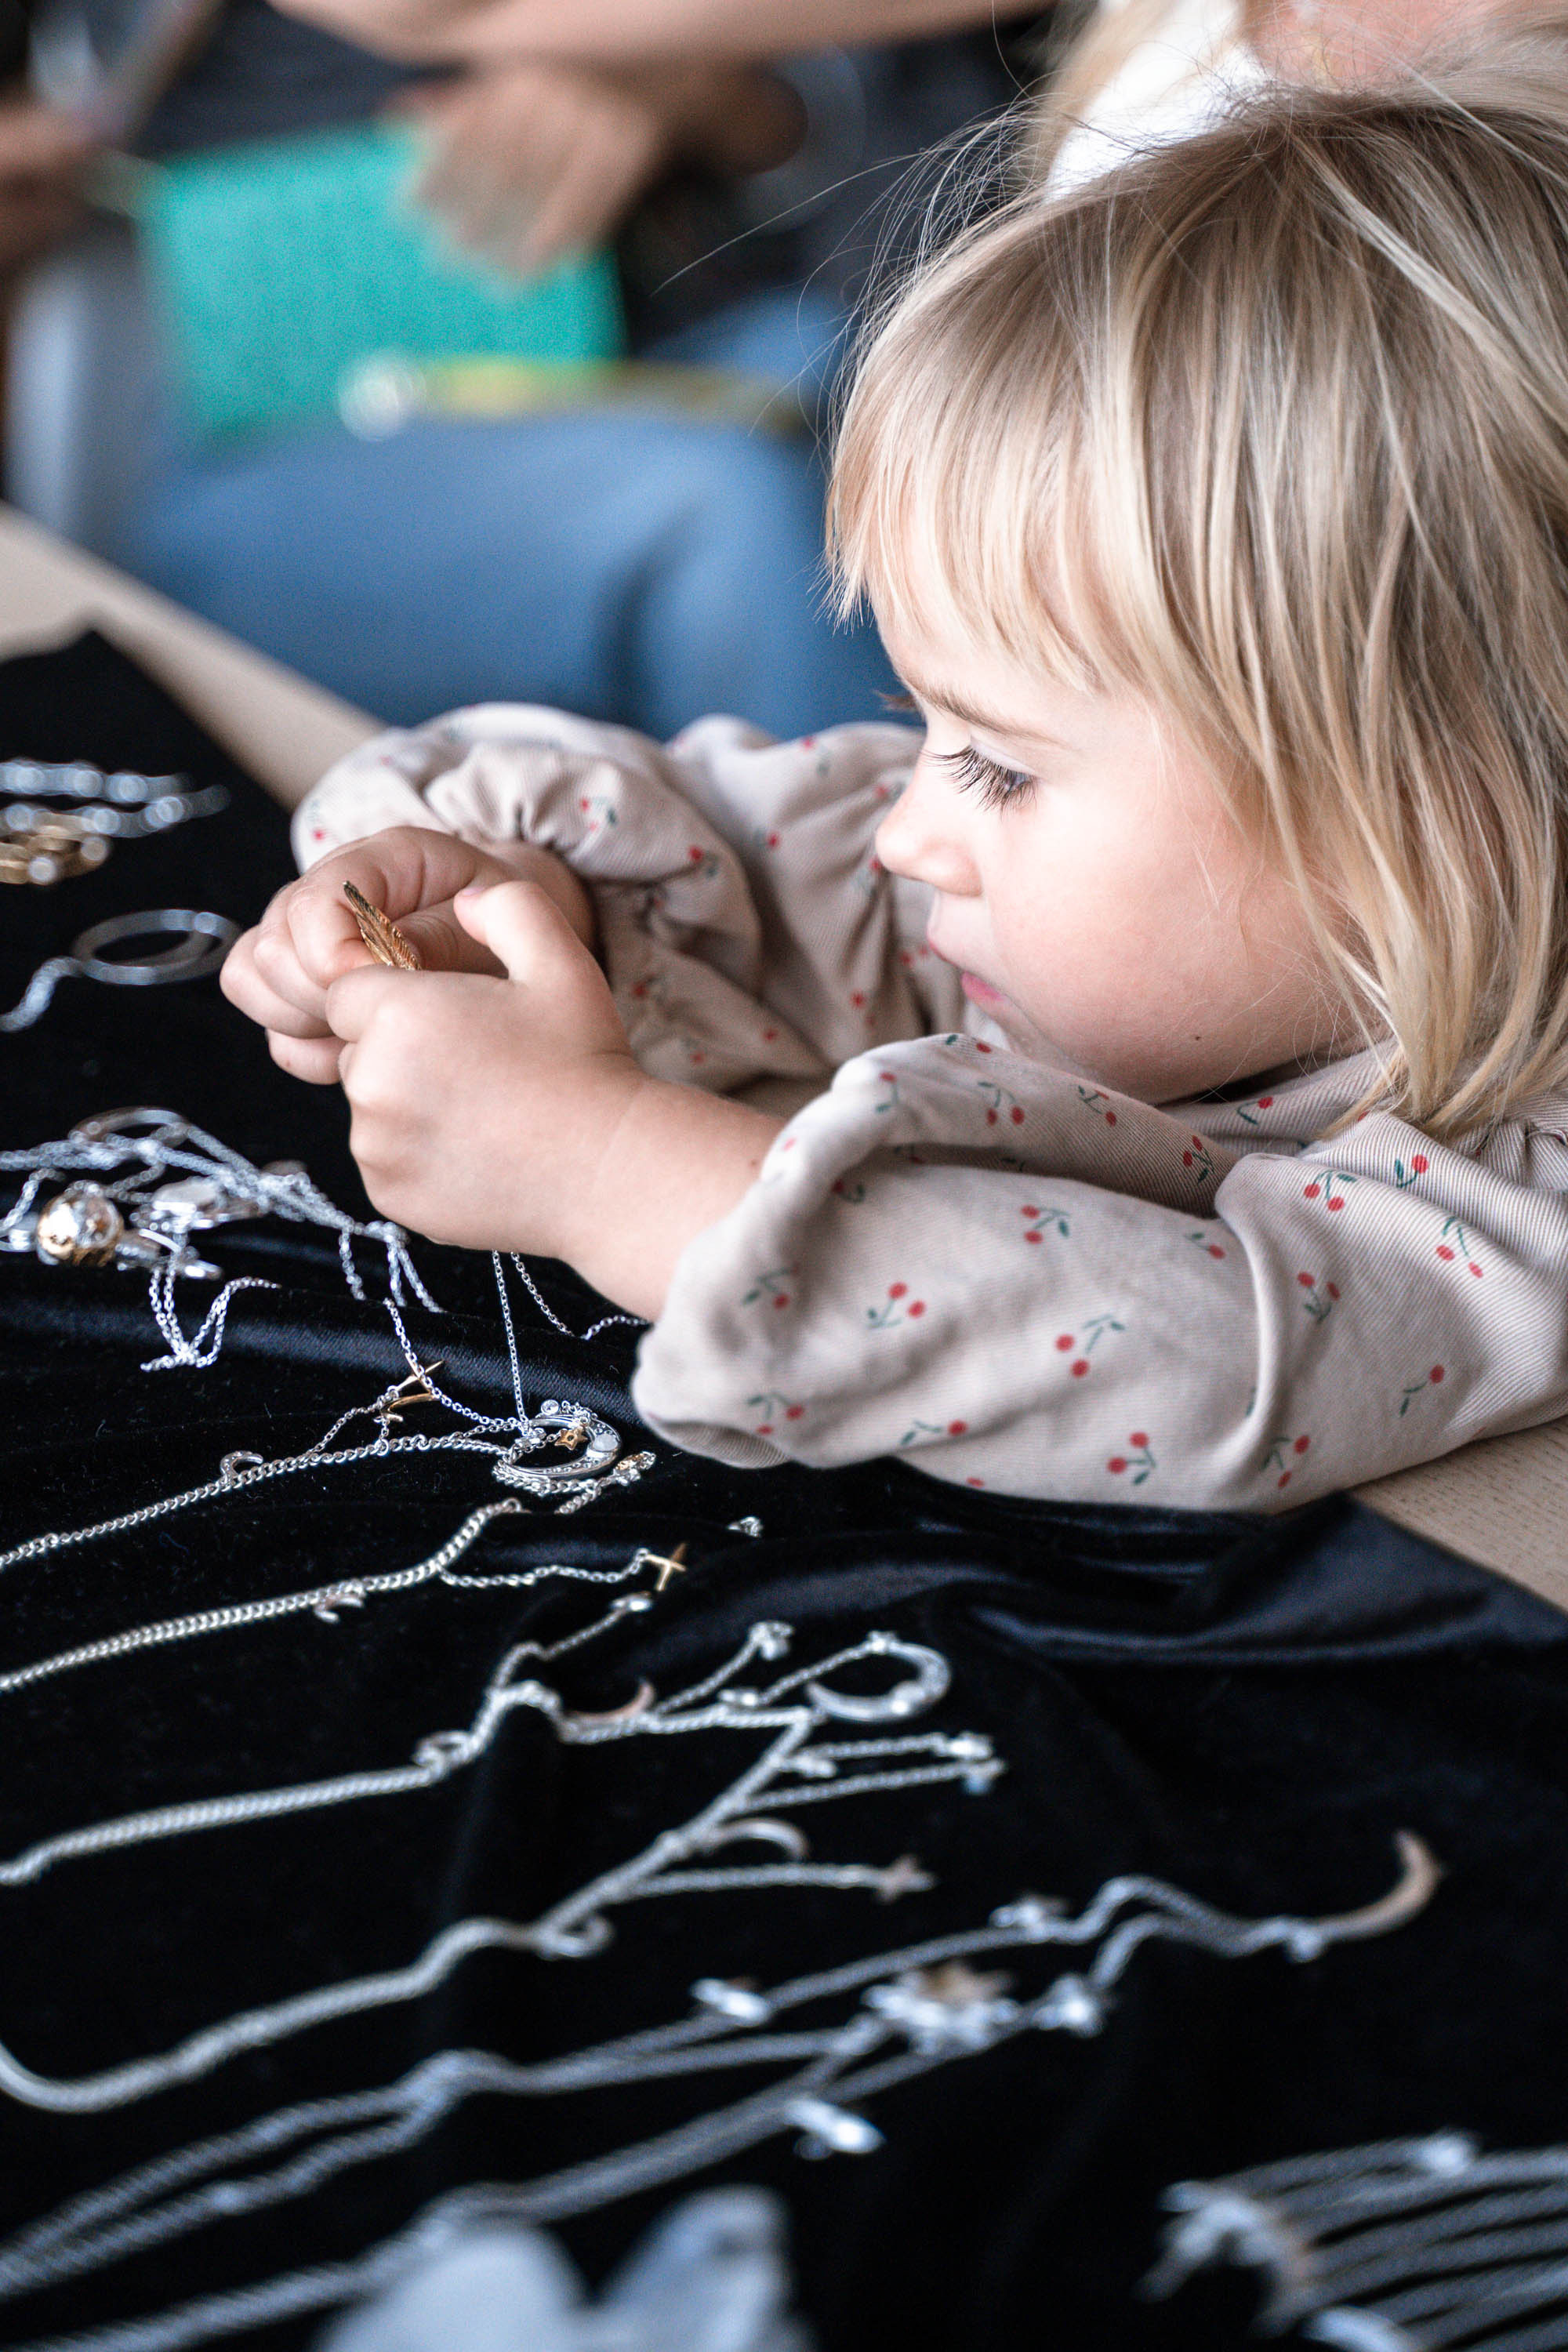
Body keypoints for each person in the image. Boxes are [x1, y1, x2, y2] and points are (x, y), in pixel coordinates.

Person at [221, 33, 1568, 1513]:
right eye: (920, 721)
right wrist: (522, 900)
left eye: (999, 768)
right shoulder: (1093, 917)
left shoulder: (1522, 1193)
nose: (913, 830)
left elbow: (1211, 1362)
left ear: (1424, 826)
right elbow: (761, 868)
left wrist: (606, 1167)